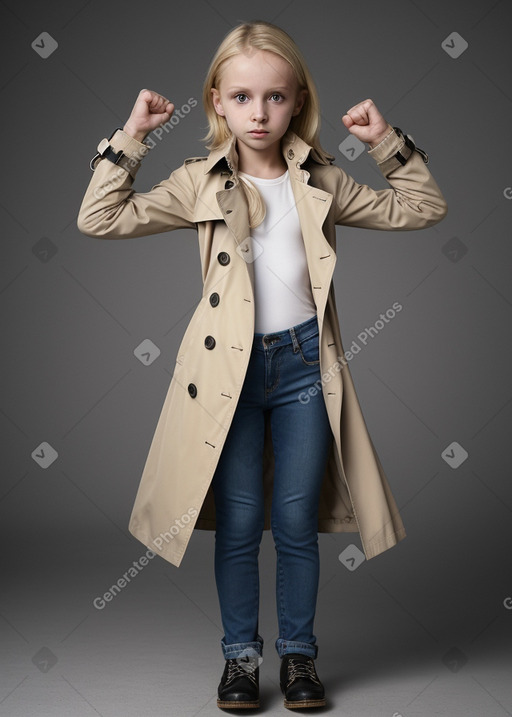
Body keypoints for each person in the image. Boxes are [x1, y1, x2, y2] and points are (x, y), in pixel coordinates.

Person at [77, 19, 447, 711]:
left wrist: (384, 143)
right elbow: (99, 218)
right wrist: (133, 135)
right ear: (216, 100)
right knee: (242, 523)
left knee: (298, 520)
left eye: (275, 97)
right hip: (230, 376)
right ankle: (240, 660)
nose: (259, 112)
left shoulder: (324, 180)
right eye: (242, 96)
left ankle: (300, 658)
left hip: (306, 368)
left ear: (298, 100)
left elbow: (424, 206)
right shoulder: (198, 182)